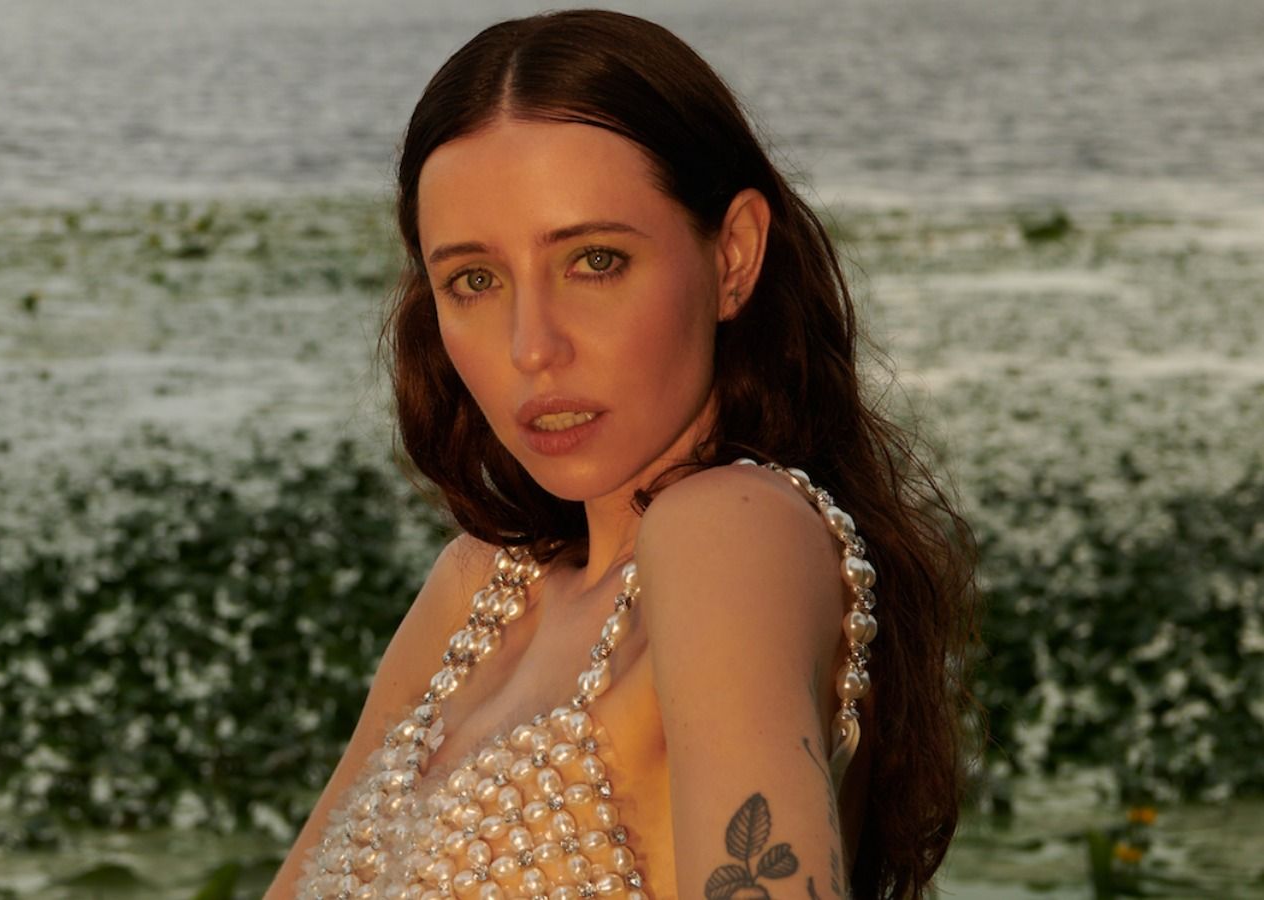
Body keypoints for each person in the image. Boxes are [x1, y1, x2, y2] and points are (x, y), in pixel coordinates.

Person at [264, 10, 979, 900]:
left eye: (594, 261)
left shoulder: (726, 530)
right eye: (474, 280)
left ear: (733, 256)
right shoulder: (477, 590)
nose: (532, 346)